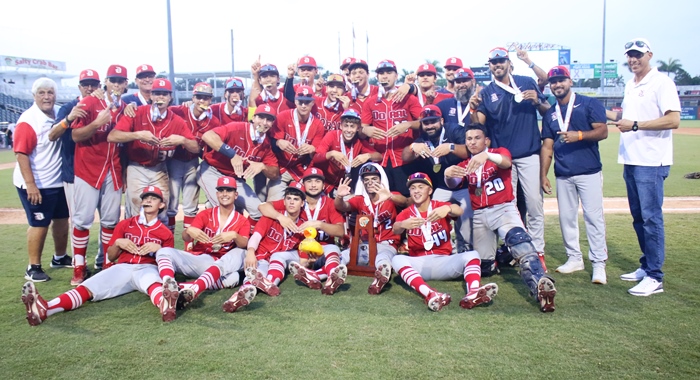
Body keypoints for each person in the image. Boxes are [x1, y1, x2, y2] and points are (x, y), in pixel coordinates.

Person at [20, 186, 179, 325]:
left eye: (153, 198)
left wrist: (159, 249)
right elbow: (110, 257)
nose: (148, 201)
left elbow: (168, 265)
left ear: (162, 204)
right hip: (122, 267)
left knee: (154, 286)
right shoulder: (126, 224)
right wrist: (117, 243)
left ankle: (166, 306)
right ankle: (46, 309)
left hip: (147, 268)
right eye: (146, 198)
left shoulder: (165, 233)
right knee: (88, 287)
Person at [445, 124, 556, 312]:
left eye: (477, 138)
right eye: (469, 139)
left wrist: (486, 155)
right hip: (479, 215)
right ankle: (504, 256)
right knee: (484, 267)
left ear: (486, 140)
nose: (472, 142)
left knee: (518, 240)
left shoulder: (498, 152)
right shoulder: (466, 164)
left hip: (503, 209)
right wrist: (448, 175)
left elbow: (506, 163)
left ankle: (540, 285)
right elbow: (454, 182)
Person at [607, 38, 681, 296]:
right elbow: (623, 118)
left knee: (651, 218)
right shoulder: (631, 83)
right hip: (631, 158)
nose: (632, 59)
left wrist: (636, 125)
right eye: (629, 55)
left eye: (637, 54)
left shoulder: (662, 83)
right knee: (639, 218)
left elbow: (673, 119)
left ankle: (655, 276)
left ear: (649, 54)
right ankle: (647, 265)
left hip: (651, 161)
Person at [470, 47, 550, 271]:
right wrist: (474, 108)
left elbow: (547, 110)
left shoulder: (525, 81)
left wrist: (536, 100)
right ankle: (512, 250)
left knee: (534, 204)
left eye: (501, 61)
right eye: (493, 62)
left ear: (508, 62)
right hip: (502, 158)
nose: (497, 65)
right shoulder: (487, 92)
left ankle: (538, 251)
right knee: (506, 207)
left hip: (529, 153)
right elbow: (480, 125)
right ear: (490, 66)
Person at [540, 66, 609, 284]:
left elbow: (603, 131)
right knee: (567, 218)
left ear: (570, 81)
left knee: (593, 218)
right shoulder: (550, 113)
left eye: (561, 80)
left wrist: (579, 135)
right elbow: (547, 146)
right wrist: (543, 174)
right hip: (563, 174)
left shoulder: (589, 103)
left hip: (588, 170)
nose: (557, 84)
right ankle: (574, 258)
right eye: (553, 82)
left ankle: (599, 264)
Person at [392, 172, 497, 311]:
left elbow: (458, 211)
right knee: (397, 259)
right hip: (420, 263)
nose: (416, 191)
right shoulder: (406, 213)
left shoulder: (440, 205)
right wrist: (402, 224)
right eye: (412, 188)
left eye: (420, 187)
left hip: (444, 261)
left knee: (472, 255)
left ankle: (473, 293)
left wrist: (448, 208)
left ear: (430, 190)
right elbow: (395, 229)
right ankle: (430, 293)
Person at [68, 64, 130, 282]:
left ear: (126, 85)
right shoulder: (89, 102)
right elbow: (76, 136)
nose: (116, 84)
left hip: (113, 169)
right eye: (112, 80)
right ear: (105, 81)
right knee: (83, 220)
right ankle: (79, 267)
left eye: (120, 81)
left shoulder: (125, 107)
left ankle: (106, 264)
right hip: (88, 169)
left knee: (110, 221)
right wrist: (96, 123)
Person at [155, 176, 252, 312]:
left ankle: (188, 287)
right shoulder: (205, 214)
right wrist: (189, 231)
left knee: (238, 262)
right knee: (163, 251)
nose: (225, 194)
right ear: (217, 194)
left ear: (235, 195)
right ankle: (168, 283)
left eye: (229, 190)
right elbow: (185, 237)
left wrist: (235, 236)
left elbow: (244, 244)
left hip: (222, 264)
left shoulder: (242, 220)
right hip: (200, 260)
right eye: (221, 190)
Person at [108, 78, 199, 221]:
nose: (160, 97)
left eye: (164, 94)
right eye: (156, 93)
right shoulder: (136, 112)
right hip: (137, 167)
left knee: (161, 210)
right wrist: (137, 135)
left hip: (159, 169)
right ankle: (136, 242)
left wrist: (183, 140)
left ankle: (160, 242)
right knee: (138, 211)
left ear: (170, 97)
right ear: (151, 96)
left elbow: (195, 148)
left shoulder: (177, 121)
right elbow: (112, 136)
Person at [13, 77, 70, 282]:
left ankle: (60, 257)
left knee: (62, 220)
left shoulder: (59, 113)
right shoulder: (29, 120)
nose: (47, 97)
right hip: (37, 182)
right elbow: (21, 154)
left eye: (50, 93)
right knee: (39, 223)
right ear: (34, 96)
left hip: (57, 180)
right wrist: (31, 185)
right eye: (42, 93)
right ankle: (33, 266)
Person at [258, 168, 347, 295]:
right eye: (309, 181)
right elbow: (263, 206)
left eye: (317, 181)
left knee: (334, 249)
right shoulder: (296, 200)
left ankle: (328, 280)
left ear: (323, 185)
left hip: (322, 251)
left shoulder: (329, 203)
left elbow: (340, 231)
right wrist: (280, 217)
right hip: (299, 252)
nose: (313, 185)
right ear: (303, 184)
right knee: (277, 256)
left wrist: (318, 224)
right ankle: (270, 283)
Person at [401, 105, 473, 254]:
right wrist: (413, 146)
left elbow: (469, 150)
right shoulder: (423, 139)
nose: (429, 126)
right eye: (426, 123)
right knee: (432, 215)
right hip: (441, 186)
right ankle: (439, 248)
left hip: (464, 184)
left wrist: (451, 147)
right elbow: (405, 157)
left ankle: (467, 250)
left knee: (466, 220)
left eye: (433, 121)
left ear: (441, 120)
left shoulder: (453, 130)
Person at [47, 69, 99, 270]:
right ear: (79, 87)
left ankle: (102, 260)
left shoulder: (101, 107)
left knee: (108, 219)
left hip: (99, 171)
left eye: (93, 84)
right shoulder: (69, 107)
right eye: (85, 84)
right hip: (74, 173)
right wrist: (68, 119)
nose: (89, 88)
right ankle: (79, 264)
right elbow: (52, 135)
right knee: (79, 219)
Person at [334, 163, 408, 294]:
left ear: (381, 180)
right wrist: (339, 196)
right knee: (345, 255)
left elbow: (406, 202)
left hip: (387, 243)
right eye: (366, 180)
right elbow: (342, 207)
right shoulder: (359, 199)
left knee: (383, 257)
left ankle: (380, 278)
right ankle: (331, 273)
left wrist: (390, 195)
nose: (370, 182)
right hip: (365, 245)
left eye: (374, 179)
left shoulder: (392, 196)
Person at [199, 105, 280, 220]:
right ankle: (211, 219)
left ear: (272, 124)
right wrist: (232, 154)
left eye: (269, 120)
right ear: (254, 118)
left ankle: (249, 237)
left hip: (235, 180)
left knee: (259, 211)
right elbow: (207, 136)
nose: (264, 122)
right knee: (226, 210)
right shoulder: (238, 127)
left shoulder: (266, 144)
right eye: (261, 117)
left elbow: (275, 174)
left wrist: (263, 166)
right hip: (212, 171)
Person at [360, 59, 422, 196]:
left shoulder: (409, 98)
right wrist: (364, 129)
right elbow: (361, 130)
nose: (385, 76)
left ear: (396, 75)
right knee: (382, 199)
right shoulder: (370, 102)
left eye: (389, 72)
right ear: (377, 77)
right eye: (381, 73)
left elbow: (424, 122)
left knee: (406, 197)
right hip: (381, 160)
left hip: (404, 159)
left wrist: (408, 124)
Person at [166, 82, 220, 232]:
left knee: (190, 207)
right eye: (199, 97)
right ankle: (168, 244)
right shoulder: (178, 111)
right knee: (171, 205)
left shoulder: (213, 121)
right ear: (193, 97)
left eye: (206, 98)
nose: (202, 101)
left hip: (193, 162)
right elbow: (160, 112)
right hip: (174, 160)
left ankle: (188, 247)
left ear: (211, 100)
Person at [266, 85, 324, 201]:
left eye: (307, 102)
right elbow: (270, 143)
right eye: (300, 102)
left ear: (313, 103)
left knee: (312, 200)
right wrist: (278, 142)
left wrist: (312, 149)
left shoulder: (318, 124)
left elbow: (316, 156)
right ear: (295, 101)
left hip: (299, 168)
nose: (303, 105)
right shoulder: (283, 116)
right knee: (274, 202)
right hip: (280, 167)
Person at [312, 109, 381, 193]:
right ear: (341, 126)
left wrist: (367, 156)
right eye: (346, 125)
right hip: (323, 181)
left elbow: (379, 156)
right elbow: (315, 158)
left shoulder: (359, 142)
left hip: (341, 185)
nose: (348, 130)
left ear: (358, 128)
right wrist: (331, 154)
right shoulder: (332, 135)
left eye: (352, 126)